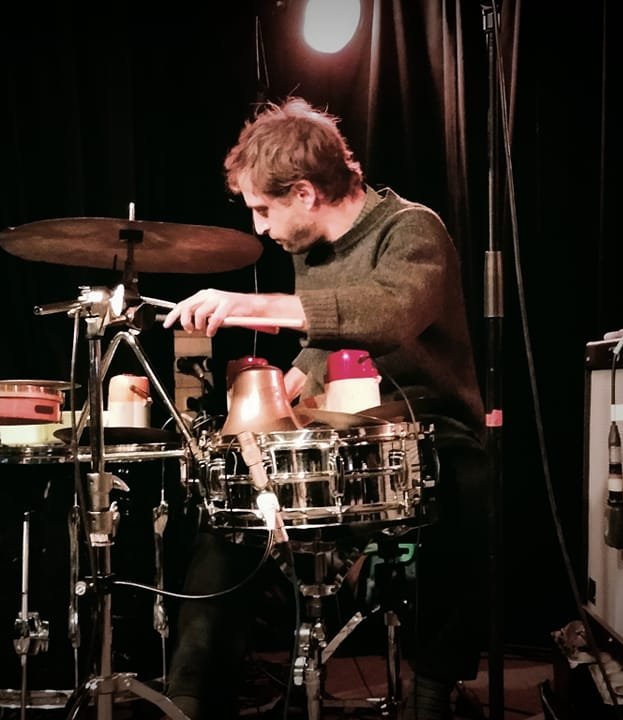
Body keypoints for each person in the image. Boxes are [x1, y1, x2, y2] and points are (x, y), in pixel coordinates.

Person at [160, 97, 489, 720]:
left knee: (466, 485)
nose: (259, 227)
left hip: (426, 426)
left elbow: (388, 314)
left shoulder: (411, 229)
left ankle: (433, 689)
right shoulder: (309, 250)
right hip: (339, 427)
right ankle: (191, 696)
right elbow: (326, 342)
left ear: (305, 193)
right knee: (233, 504)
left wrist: (254, 307)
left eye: (263, 209)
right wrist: (279, 390)